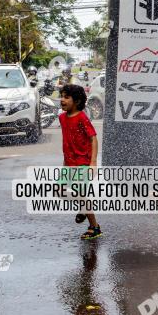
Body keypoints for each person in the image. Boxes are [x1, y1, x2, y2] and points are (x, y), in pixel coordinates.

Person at [59, 84, 101, 239]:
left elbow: (93, 138)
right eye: (61, 96)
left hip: (83, 161)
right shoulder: (62, 118)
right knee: (60, 191)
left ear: (76, 101)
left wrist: (93, 162)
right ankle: (83, 208)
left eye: (66, 97)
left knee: (82, 194)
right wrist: (64, 163)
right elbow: (67, 141)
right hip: (69, 161)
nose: (62, 100)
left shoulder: (82, 117)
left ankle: (94, 227)